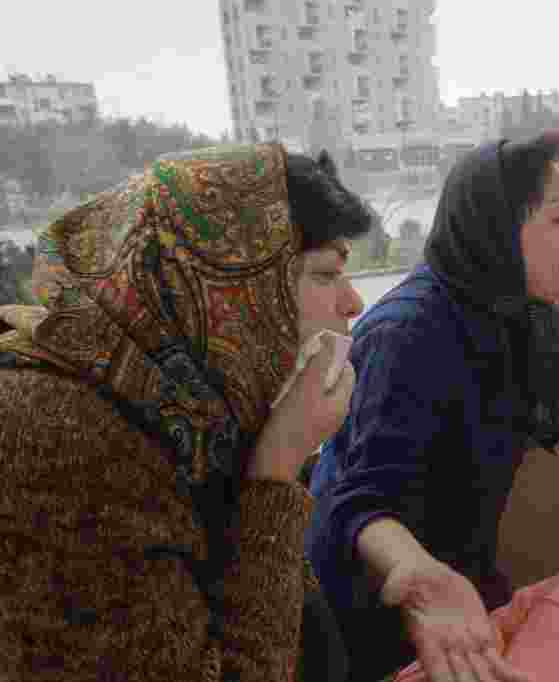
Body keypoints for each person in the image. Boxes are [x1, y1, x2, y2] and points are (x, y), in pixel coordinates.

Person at [306, 130, 559, 682]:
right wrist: (422, 582)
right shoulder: (407, 334)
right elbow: (360, 503)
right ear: (497, 232)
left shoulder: (512, 313)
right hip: (369, 604)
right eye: (558, 219)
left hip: (454, 576)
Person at [0, 143, 372, 681]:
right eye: (324, 274)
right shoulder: (66, 439)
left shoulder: (189, 414)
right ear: (230, 287)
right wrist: (276, 470)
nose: (353, 302)